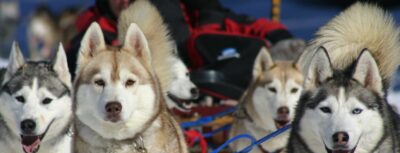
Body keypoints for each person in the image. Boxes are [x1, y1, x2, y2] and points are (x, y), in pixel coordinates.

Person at [66, 0, 304, 83]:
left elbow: (235, 23)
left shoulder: (177, 11)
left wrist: (279, 38)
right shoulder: (96, 31)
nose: (124, 1)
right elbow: (74, 57)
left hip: (201, 80)